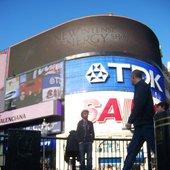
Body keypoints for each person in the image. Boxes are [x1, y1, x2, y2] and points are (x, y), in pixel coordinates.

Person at [122, 70, 155, 170]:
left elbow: (138, 106)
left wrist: (130, 121)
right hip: (140, 125)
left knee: (156, 149)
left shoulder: (142, 87)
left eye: (130, 78)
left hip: (145, 125)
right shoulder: (141, 87)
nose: (130, 80)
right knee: (132, 150)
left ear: (133, 77)